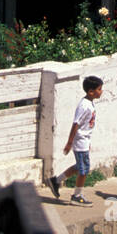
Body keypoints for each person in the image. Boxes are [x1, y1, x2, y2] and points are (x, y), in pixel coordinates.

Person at [46, 76, 103, 205]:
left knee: (79, 167)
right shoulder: (84, 105)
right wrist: (70, 142)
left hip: (84, 140)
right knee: (84, 170)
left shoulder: (89, 103)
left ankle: (55, 181)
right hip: (80, 141)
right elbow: (75, 124)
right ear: (91, 92)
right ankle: (77, 196)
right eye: (99, 89)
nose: (101, 91)